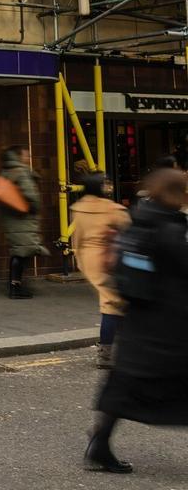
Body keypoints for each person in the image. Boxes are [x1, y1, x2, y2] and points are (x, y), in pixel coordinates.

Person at [85, 167, 188, 473]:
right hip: (170, 325)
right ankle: (99, 445)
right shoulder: (170, 230)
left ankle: (99, 444)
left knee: (125, 385)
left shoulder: (139, 221)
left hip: (139, 322)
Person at [71, 173, 131, 369]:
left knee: (114, 303)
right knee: (113, 305)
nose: (109, 187)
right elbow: (129, 231)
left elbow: (77, 240)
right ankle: (107, 354)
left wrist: (80, 261)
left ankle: (114, 351)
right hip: (109, 258)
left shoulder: (77, 209)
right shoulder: (112, 209)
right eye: (106, 184)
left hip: (88, 259)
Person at [0, 145, 48, 299]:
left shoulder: (6, 171)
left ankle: (15, 284)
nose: (28, 159)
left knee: (19, 250)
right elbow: (31, 196)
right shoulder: (22, 171)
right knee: (22, 251)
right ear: (18, 156)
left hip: (11, 217)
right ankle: (15, 287)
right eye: (26, 156)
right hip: (23, 218)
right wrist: (37, 207)